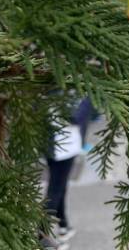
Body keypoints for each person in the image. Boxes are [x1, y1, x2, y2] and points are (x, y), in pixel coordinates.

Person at [41, 97, 92, 248]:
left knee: (60, 187)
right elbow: (77, 116)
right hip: (65, 148)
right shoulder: (74, 90)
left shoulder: (48, 88)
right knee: (55, 191)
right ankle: (42, 238)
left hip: (53, 144)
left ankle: (64, 225)